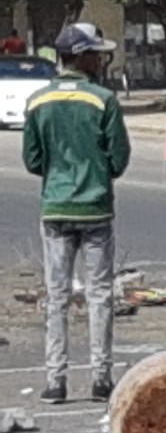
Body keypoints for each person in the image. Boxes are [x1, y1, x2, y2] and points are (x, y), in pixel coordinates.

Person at [22, 22, 131, 405]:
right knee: (99, 295)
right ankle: (101, 377)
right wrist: (96, 173)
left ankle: (56, 381)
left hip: (55, 207)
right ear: (81, 56)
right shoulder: (103, 100)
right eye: (96, 54)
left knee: (57, 296)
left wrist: (58, 175)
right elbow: (119, 159)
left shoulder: (38, 101)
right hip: (95, 208)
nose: (101, 60)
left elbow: (32, 159)